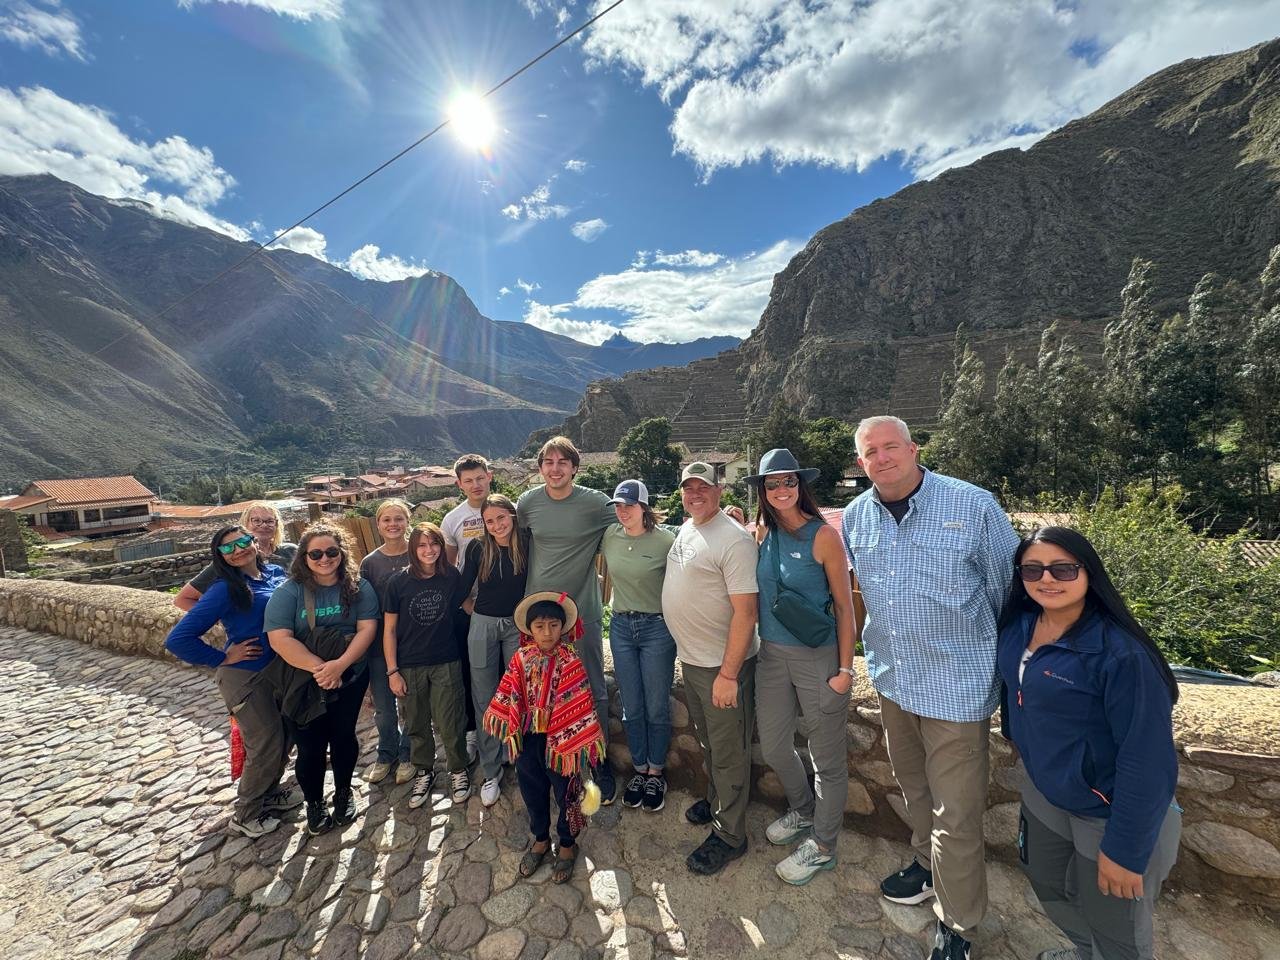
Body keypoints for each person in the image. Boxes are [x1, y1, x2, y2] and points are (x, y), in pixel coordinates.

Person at [840, 415, 1020, 960]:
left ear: (914, 449)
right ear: (860, 463)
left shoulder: (973, 505)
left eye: (891, 447)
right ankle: (925, 865)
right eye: (871, 452)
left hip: (957, 688)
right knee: (914, 788)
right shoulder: (855, 516)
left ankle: (958, 923)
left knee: (957, 813)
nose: (882, 458)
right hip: (895, 680)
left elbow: (1008, 590)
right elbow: (861, 592)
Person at [998, 527, 1180, 960]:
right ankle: (1085, 952)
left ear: (1088, 573)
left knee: (1117, 930)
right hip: (1044, 792)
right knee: (1045, 882)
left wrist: (1125, 850)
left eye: (1063, 568)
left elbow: (1148, 758)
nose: (1047, 579)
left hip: (1107, 812)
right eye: (1033, 569)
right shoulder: (1019, 626)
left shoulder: (1120, 654)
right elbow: (1014, 691)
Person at [747, 449, 857, 885]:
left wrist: (845, 669)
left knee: (827, 758)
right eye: (772, 484)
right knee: (774, 745)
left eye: (788, 482)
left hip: (818, 656)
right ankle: (804, 811)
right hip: (772, 655)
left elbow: (846, 608)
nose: (781, 490)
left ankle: (825, 845)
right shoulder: (761, 534)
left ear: (801, 486)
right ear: (762, 491)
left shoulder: (822, 536)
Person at [165, 525, 298, 837]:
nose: (238, 550)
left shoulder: (276, 573)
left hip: (281, 670)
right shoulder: (225, 588)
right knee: (264, 742)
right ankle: (246, 813)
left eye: (242, 542)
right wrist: (223, 658)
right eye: (228, 548)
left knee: (286, 734)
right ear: (220, 556)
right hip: (246, 676)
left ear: (253, 542)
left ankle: (269, 793)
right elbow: (178, 639)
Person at [662, 461, 760, 875]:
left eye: (704, 487)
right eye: (689, 487)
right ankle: (720, 800)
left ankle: (731, 835)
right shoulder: (689, 527)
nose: (695, 494)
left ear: (720, 491)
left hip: (722, 666)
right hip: (696, 660)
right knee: (709, 742)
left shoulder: (734, 539)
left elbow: (746, 613)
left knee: (729, 751)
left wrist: (728, 674)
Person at [517, 436, 619, 803]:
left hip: (583, 611)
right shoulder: (528, 503)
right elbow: (508, 540)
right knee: (541, 689)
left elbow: (633, 518)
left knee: (593, 686)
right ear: (540, 467)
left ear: (575, 467)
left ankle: (599, 760)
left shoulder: (593, 503)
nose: (555, 468)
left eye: (563, 461)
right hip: (539, 614)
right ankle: (555, 757)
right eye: (549, 461)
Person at [482, 591, 605, 886]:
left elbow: (579, 703)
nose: (547, 632)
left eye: (553, 625)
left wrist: (567, 731)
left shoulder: (570, 661)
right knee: (532, 791)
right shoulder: (521, 659)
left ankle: (566, 843)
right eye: (539, 626)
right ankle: (539, 839)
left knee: (567, 793)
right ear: (529, 629)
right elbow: (510, 697)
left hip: (564, 743)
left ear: (563, 627)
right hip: (528, 741)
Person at [264, 523, 379, 836]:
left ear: (341, 553)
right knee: (310, 745)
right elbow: (280, 638)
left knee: (343, 735)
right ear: (304, 557)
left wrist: (339, 666)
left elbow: (367, 629)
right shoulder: (289, 593)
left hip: (349, 673)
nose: (324, 558)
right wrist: (321, 669)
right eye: (316, 553)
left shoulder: (358, 587)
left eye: (331, 551)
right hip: (303, 678)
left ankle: (343, 792)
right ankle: (314, 802)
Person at [601, 479, 677, 813]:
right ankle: (640, 767)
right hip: (620, 625)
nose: (623, 512)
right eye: (618, 506)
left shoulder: (665, 541)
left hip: (657, 627)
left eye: (629, 506)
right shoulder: (609, 537)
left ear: (644, 507)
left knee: (657, 703)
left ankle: (656, 773)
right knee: (631, 704)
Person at [384, 522, 471, 809]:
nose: (429, 550)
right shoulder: (398, 582)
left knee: (451, 721)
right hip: (410, 664)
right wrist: (392, 671)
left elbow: (467, 604)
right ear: (413, 548)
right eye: (422, 545)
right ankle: (424, 770)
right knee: (416, 722)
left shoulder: (451, 577)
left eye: (434, 543)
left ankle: (457, 769)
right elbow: (390, 630)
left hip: (446, 659)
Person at [457, 494, 529, 807]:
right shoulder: (477, 548)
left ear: (512, 517)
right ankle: (491, 768)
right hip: (483, 625)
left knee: (516, 691)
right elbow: (460, 587)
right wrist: (472, 610)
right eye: (490, 521)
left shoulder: (526, 544)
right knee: (484, 696)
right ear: (483, 525)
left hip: (517, 623)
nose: (497, 525)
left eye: (501, 518)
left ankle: (515, 750)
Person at [443, 454, 494, 763]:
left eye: (480, 477)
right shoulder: (453, 519)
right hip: (469, 606)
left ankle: (506, 728)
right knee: (469, 671)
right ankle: (473, 730)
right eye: (468, 480)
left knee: (502, 670)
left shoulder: (507, 510)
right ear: (459, 484)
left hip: (503, 605)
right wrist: (464, 602)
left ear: (489, 476)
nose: (476, 485)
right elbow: (449, 568)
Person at [358, 499, 413, 785]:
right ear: (378, 525)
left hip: (414, 644)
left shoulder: (418, 554)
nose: (393, 525)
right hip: (380, 645)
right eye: (387, 520)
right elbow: (364, 608)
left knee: (412, 706)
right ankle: (386, 752)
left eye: (398, 519)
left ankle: (408, 753)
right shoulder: (370, 563)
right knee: (384, 707)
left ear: (407, 520)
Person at [174, 501, 298, 611]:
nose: (264, 525)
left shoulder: (291, 552)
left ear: (277, 525)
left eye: (269, 521)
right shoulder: (233, 560)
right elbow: (183, 599)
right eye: (256, 520)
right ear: (245, 525)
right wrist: (224, 621)